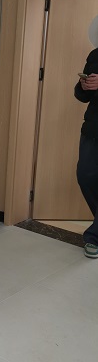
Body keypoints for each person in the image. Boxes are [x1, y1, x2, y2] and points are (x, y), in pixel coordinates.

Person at [74, 47, 98, 258]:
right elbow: (82, 96)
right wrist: (84, 86)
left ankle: (94, 237)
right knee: (85, 175)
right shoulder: (95, 54)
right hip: (92, 128)